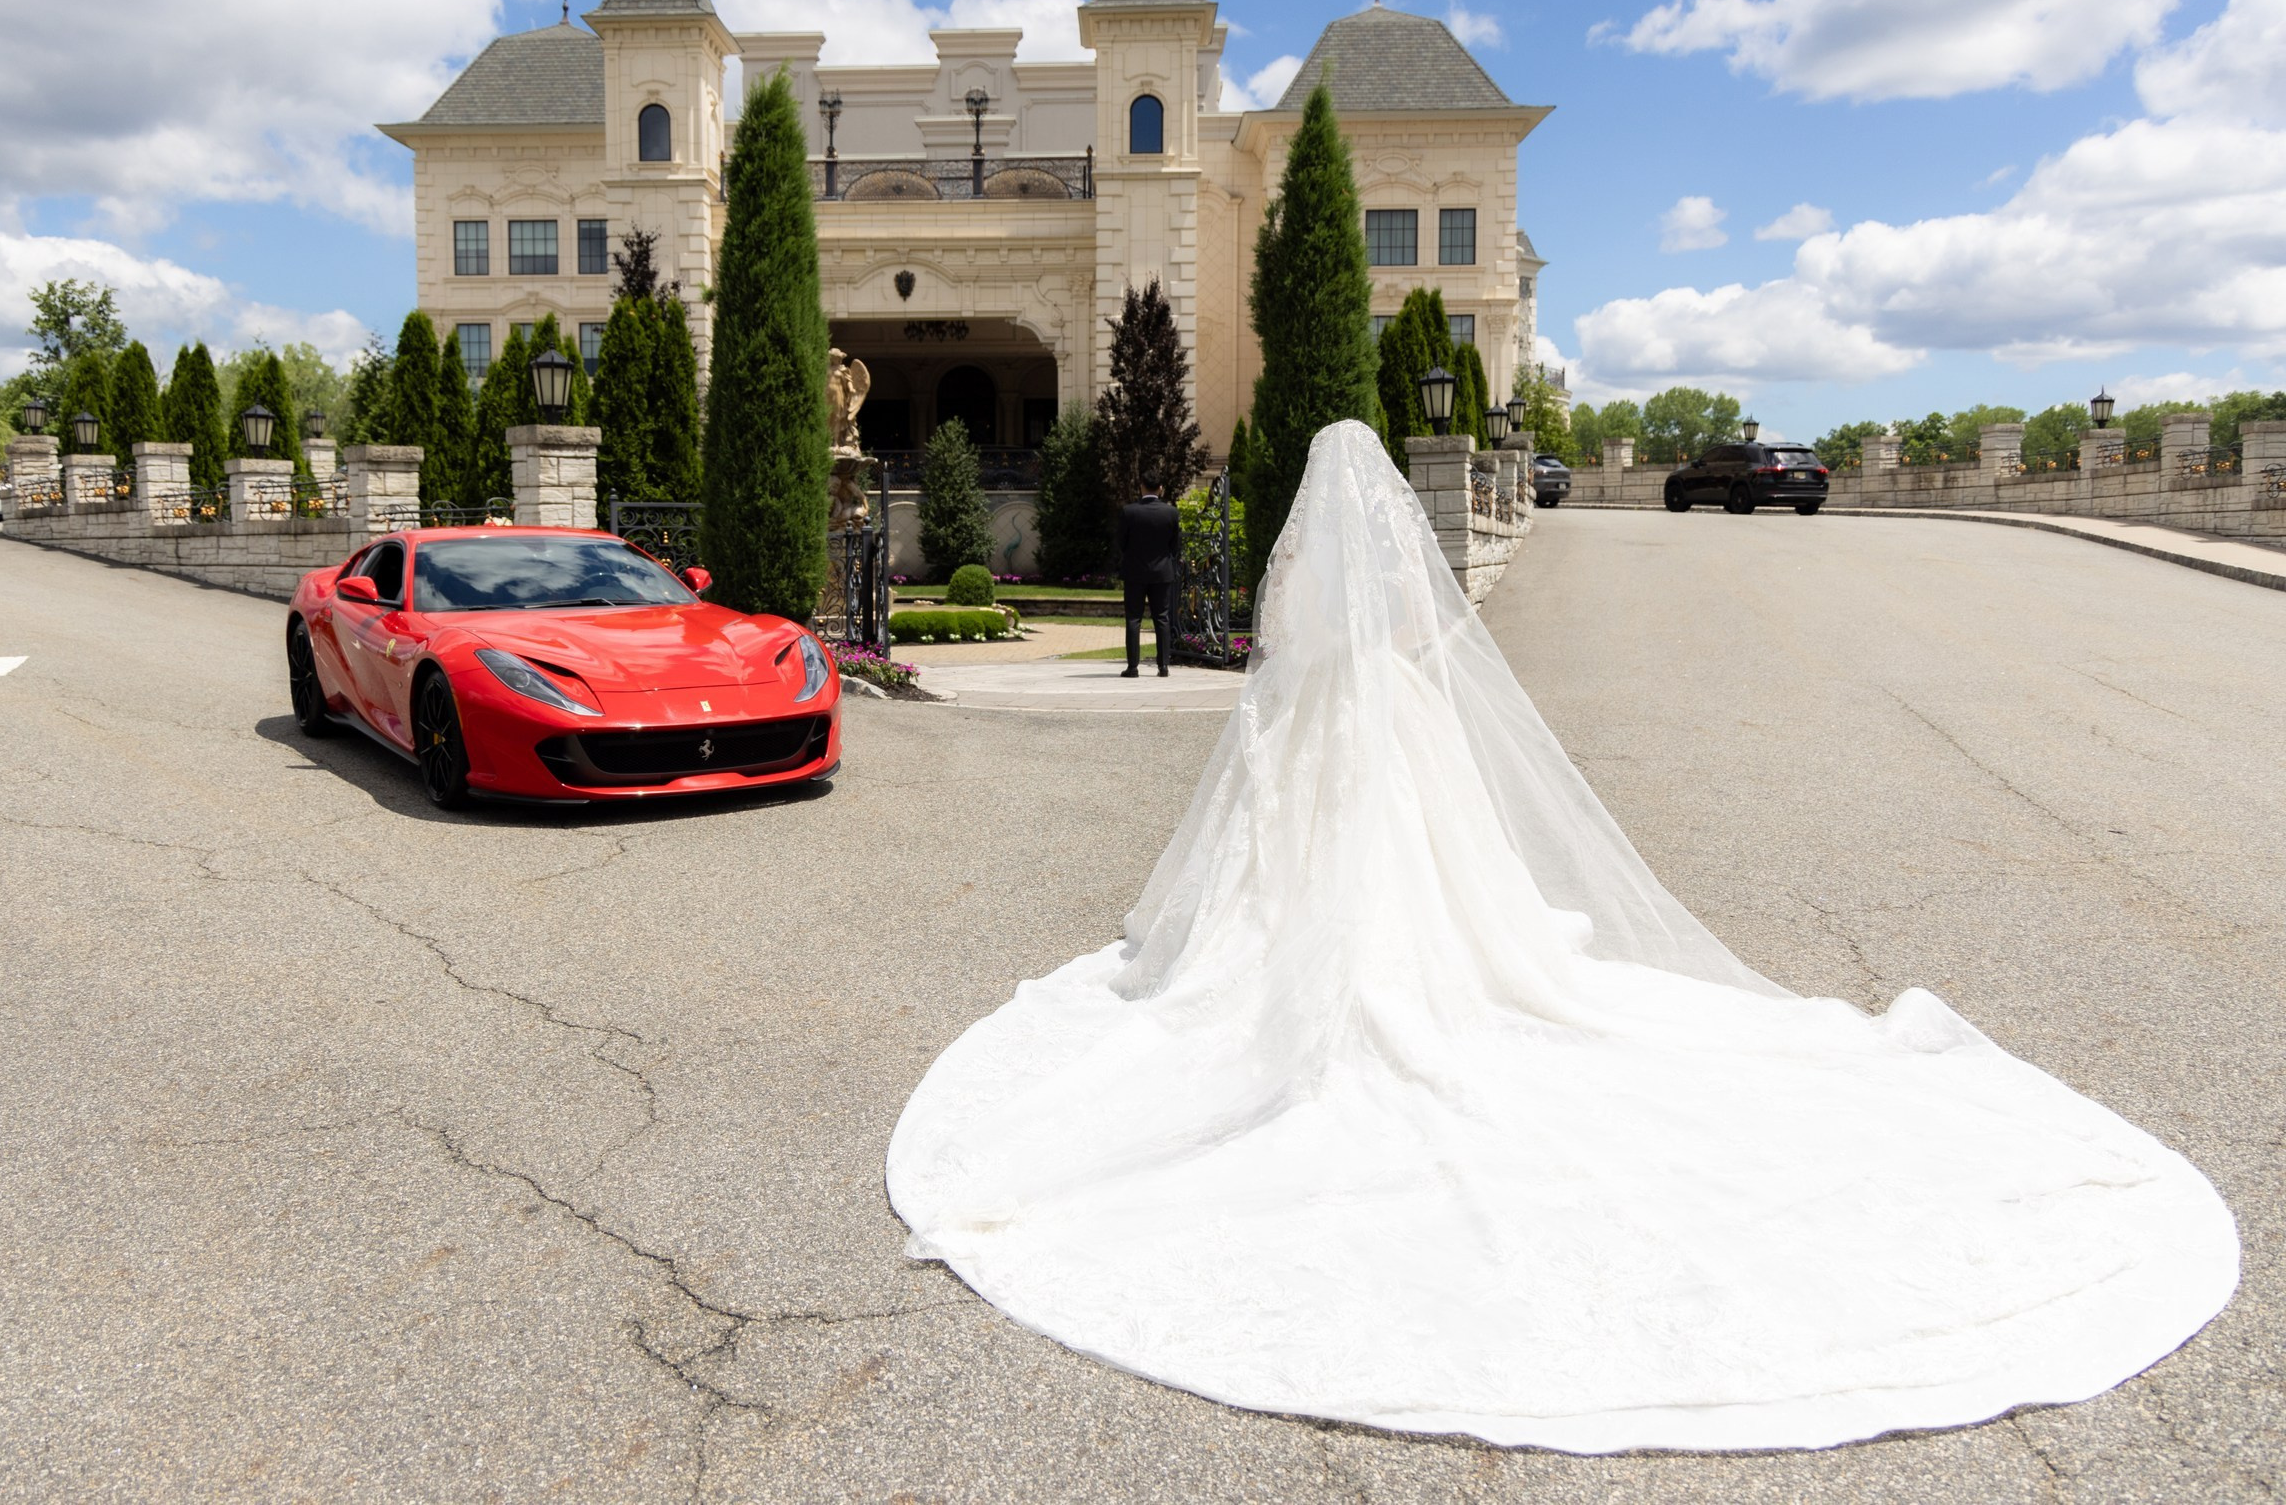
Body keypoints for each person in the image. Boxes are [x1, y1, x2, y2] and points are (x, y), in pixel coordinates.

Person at [887, 420, 2235, 1454]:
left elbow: (1281, 655)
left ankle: (1321, 971)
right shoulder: (1398, 575)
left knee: (1293, 874)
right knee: (1441, 875)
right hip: (1398, 737)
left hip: (1307, 741)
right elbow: (1420, 644)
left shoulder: (1297, 563)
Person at [1116, 479, 1182, 677]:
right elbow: (1175, 546)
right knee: (1162, 618)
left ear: (1141, 487)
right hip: (1162, 573)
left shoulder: (1129, 512)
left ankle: (1133, 667)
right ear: (1161, 488)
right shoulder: (1171, 513)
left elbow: (1121, 542)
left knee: (1133, 618)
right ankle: (1163, 666)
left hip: (1135, 572)